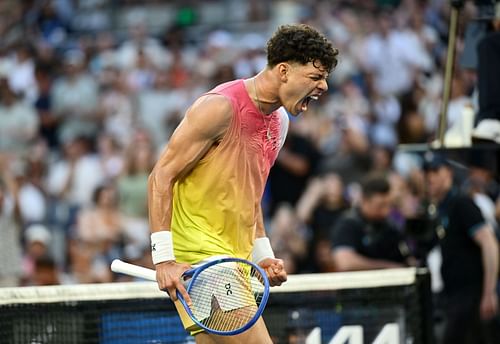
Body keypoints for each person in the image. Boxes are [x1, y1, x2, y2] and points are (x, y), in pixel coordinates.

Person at [147, 24, 338, 343]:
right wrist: (163, 259)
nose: (325, 86)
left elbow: (250, 195)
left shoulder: (280, 122)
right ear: (284, 71)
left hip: (233, 258)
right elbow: (161, 176)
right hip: (200, 258)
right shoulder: (219, 107)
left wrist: (261, 253)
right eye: (316, 77)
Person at [423, 153, 499, 344]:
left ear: (448, 172)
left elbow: (489, 243)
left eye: (435, 171)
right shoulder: (440, 208)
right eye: (426, 172)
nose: (430, 177)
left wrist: (489, 292)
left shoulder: (461, 203)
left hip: (471, 295)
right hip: (453, 295)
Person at [331, 173, 415, 271]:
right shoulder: (348, 224)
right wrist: (388, 267)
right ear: (364, 201)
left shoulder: (390, 225)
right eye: (380, 206)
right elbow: (345, 263)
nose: (386, 211)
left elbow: (406, 256)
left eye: (389, 205)